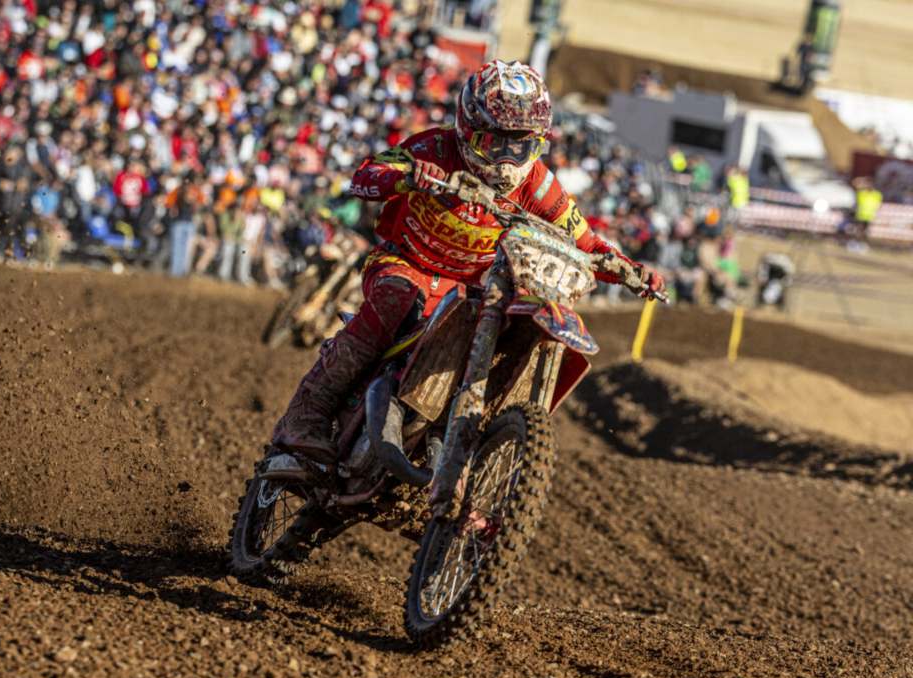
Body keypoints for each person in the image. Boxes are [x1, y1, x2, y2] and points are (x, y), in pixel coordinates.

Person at [270, 60, 665, 463]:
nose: (507, 158)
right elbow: (365, 176)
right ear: (467, 131)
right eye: (495, 144)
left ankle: (482, 468)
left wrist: (632, 271)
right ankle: (306, 416)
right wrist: (408, 177)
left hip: (474, 290)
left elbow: (587, 243)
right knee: (396, 299)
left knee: (517, 335)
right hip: (405, 263)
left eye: (522, 145)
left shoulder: (538, 185)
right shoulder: (435, 149)